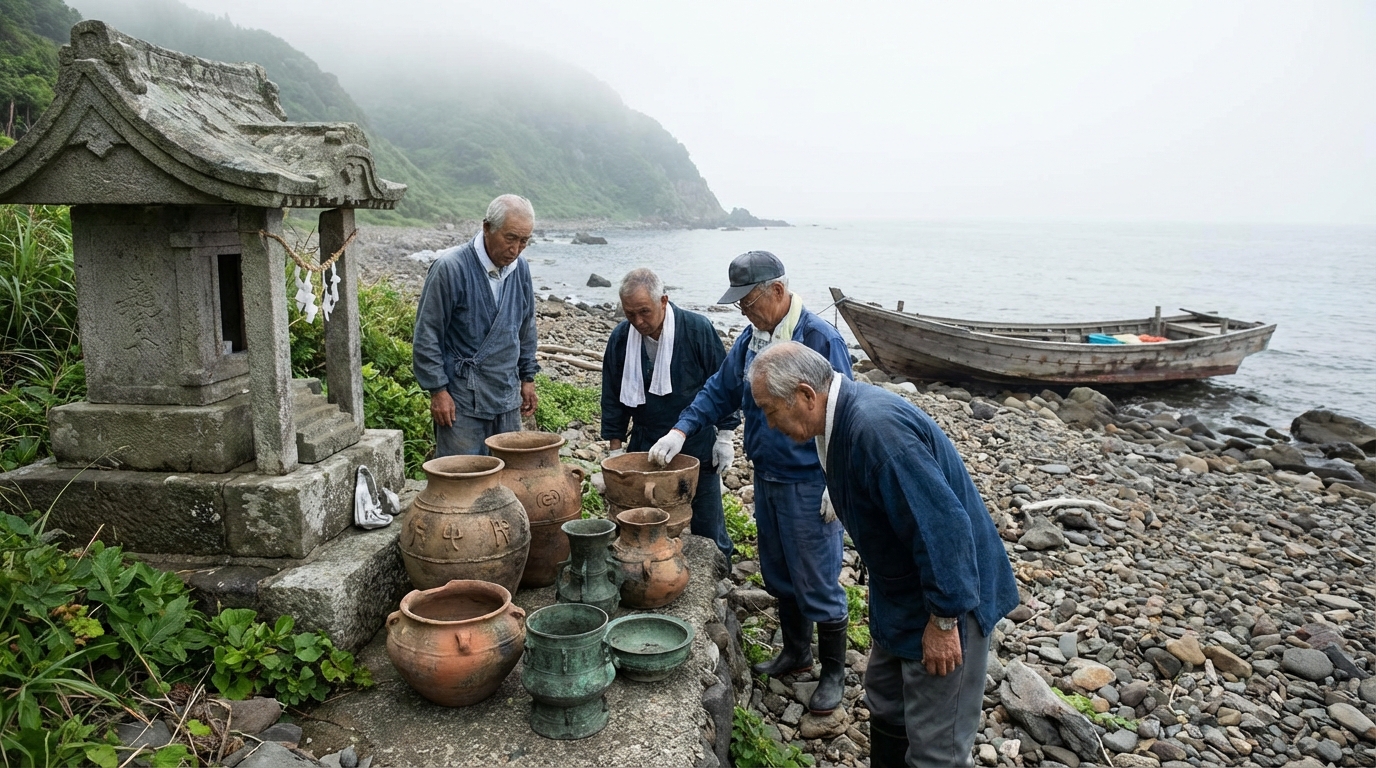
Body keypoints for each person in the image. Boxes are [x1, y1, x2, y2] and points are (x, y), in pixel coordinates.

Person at [747, 342, 1019, 768]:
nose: (767, 422)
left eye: (770, 409)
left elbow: (945, 526)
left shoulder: (877, 431)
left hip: (950, 595)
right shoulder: (835, 425)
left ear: (805, 395)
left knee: (936, 745)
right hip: (902, 591)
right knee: (886, 700)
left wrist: (945, 621)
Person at [648, 251, 853, 716]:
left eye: (749, 301)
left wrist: (838, 480)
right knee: (778, 570)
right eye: (738, 303)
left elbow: (845, 408)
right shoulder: (750, 339)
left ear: (778, 292)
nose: (743, 310)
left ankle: (834, 671)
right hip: (768, 475)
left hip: (808, 479)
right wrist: (682, 428)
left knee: (818, 575)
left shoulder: (819, 338)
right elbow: (720, 390)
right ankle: (797, 652)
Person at [600, 268, 739, 561]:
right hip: (645, 439)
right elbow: (613, 396)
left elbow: (722, 384)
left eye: (644, 312)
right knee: (642, 518)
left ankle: (719, 566)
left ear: (664, 301)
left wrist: (725, 436)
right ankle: (648, 565)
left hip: (696, 441)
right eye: (629, 313)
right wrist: (614, 451)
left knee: (707, 522)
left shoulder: (697, 329)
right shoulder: (622, 338)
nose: (638, 321)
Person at [412, 194, 539, 457]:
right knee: (462, 478)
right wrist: (438, 390)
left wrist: (528, 377)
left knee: (507, 474)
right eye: (510, 238)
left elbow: (526, 327)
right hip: (460, 397)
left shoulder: (520, 269)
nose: (515, 249)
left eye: (524, 241)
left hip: (505, 392)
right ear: (487, 228)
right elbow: (427, 334)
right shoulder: (450, 268)